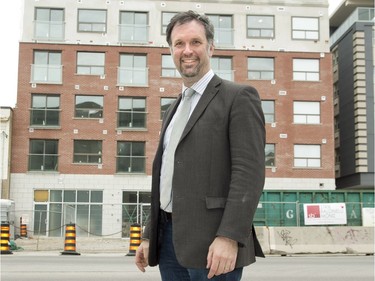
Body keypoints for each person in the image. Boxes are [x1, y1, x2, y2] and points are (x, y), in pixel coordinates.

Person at [135, 10, 265, 281]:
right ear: (171, 50)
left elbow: (248, 174)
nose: (187, 50)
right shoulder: (172, 109)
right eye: (179, 44)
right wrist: (150, 234)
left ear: (211, 47)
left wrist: (229, 236)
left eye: (195, 42)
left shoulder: (238, 97)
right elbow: (166, 176)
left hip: (213, 243)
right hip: (169, 241)